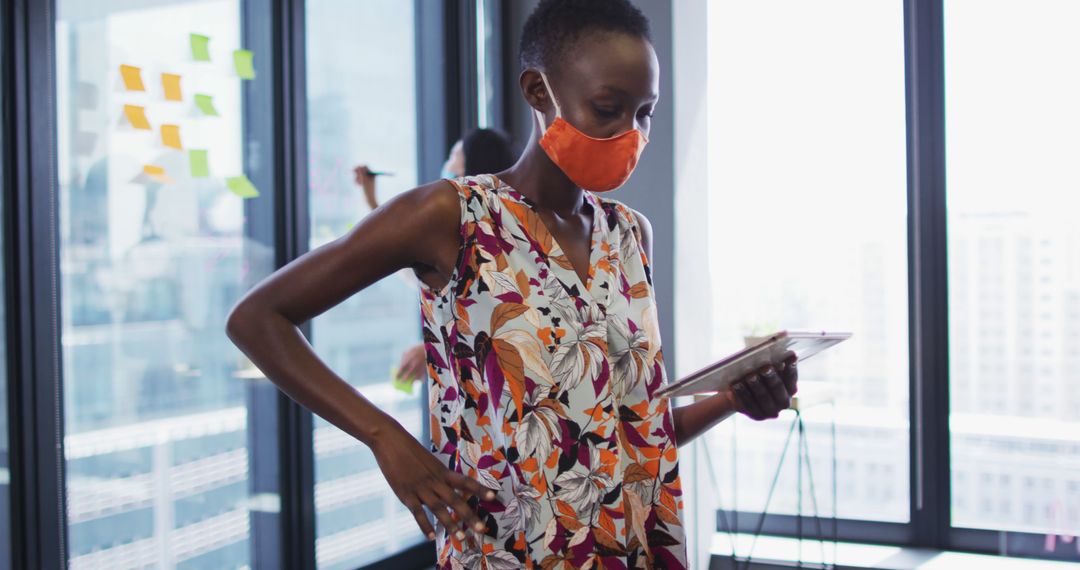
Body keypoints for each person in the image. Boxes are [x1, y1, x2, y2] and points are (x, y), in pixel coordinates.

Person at [226, 1, 798, 568]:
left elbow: (630, 432)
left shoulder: (629, 236)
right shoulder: (451, 216)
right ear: (538, 91)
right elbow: (257, 318)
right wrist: (384, 435)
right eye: (608, 108)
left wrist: (732, 399)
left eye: (644, 112)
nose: (631, 133)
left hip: (637, 550)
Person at [353, 128, 517, 385]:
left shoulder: (482, 242)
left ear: (469, 169)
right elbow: (404, 260)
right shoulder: (492, 231)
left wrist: (433, 350)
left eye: (454, 153)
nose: (447, 163)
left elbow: (495, 322)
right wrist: (371, 200)